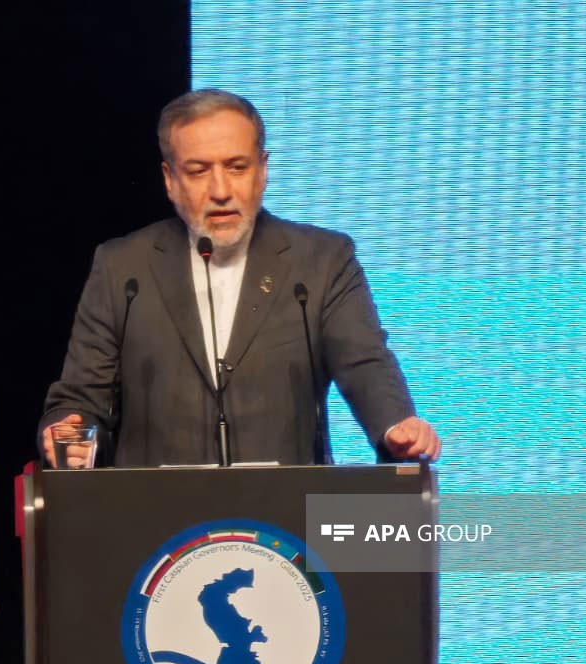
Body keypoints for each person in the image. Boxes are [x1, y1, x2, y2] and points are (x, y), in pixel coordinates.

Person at [39, 89, 440, 468]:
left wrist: (395, 424)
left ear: (262, 170)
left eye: (236, 167)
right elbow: (81, 399)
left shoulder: (322, 260)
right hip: (154, 511)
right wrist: (69, 432)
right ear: (170, 179)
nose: (220, 190)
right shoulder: (123, 268)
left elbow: (363, 361)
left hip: (290, 508)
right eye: (198, 171)